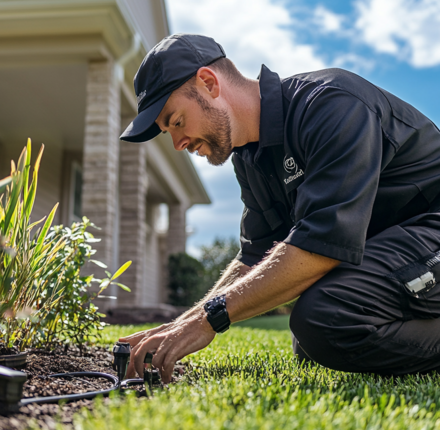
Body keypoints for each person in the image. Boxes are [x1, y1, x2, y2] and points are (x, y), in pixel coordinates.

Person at [119, 34, 440, 383]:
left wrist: (207, 319)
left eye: (177, 120)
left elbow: (321, 245)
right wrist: (186, 321)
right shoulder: (251, 159)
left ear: (209, 83)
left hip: (431, 228)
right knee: (313, 342)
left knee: (326, 316)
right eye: (169, 132)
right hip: (404, 250)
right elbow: (255, 256)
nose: (179, 143)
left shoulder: (330, 104)